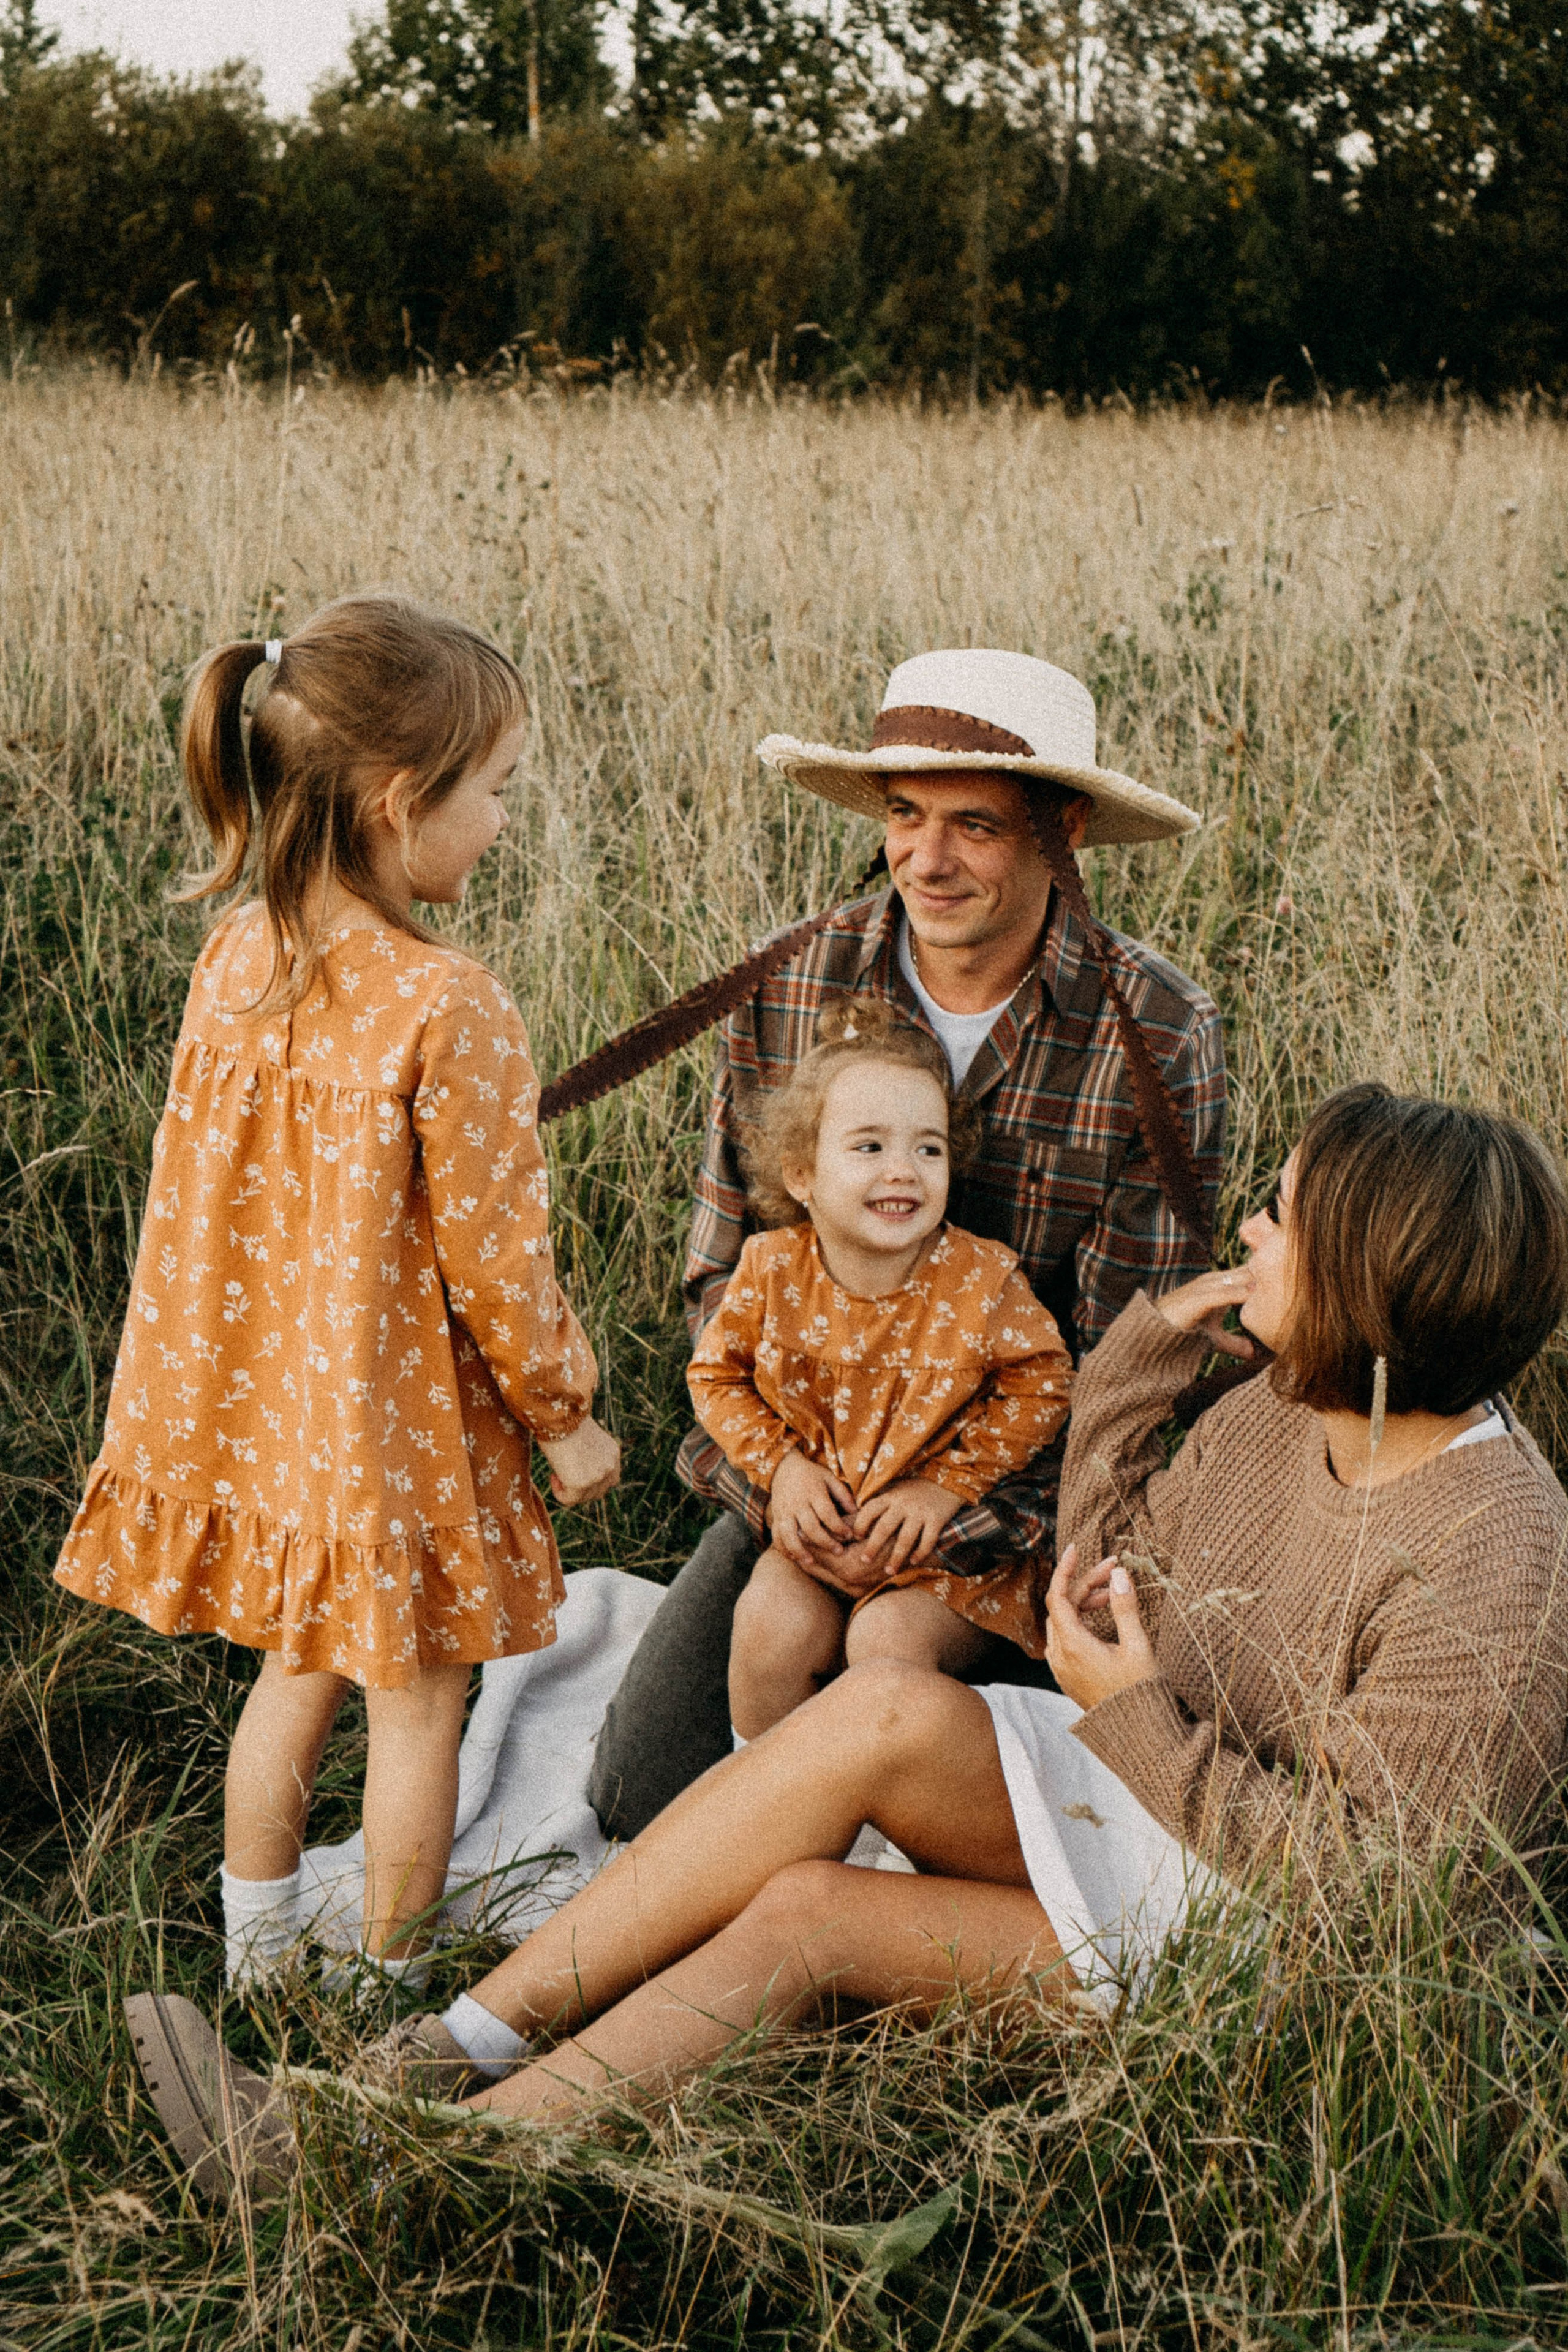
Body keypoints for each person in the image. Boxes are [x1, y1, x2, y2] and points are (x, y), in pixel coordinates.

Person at [126, 1079, 1568, 2182]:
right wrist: (1133, 1372)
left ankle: (390, 2166)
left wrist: (1124, 1706)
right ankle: (427, 2057)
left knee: (813, 1916)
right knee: (877, 1714)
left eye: (1281, 1215)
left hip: (1275, 1967)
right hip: (1171, 1813)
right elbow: (1129, 1564)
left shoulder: (1493, 1557)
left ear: (1368, 1275)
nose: (1247, 1231)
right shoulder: (1284, 1402)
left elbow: (1371, 1902)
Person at [57, 593, 620, 1991]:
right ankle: (385, 1979)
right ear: (392, 799)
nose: (500, 822)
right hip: (400, 1428)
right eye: (491, 791)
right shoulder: (449, 1001)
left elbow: (208, 1198)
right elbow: (500, 1260)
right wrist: (565, 1417)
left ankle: (257, 1961)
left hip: (268, 1409)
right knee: (421, 1704)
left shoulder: (237, 956)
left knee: (291, 1670)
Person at [590, 647, 1226, 1836]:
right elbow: (719, 1279)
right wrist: (778, 1484)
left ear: (1063, 831)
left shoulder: (1156, 1033)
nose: (925, 861)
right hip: (812, 1477)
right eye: (903, 814)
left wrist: (951, 1511)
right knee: (635, 1795)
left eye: (974, 824)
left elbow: (1130, 1367)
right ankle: (770, 1819)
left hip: (1010, 1509)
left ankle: (899, 1800)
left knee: (902, 1691)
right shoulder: (793, 985)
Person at [691, 998, 1074, 1736]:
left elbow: (1044, 1382)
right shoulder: (771, 1270)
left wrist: (945, 1488)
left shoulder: (979, 1279)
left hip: (942, 1554)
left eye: (927, 1150)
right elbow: (716, 1376)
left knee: (885, 1645)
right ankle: (763, 1808)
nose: (903, 1169)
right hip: (819, 1526)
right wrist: (783, 1471)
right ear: (802, 1175)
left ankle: (886, 1821)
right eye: (868, 1148)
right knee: (769, 1626)